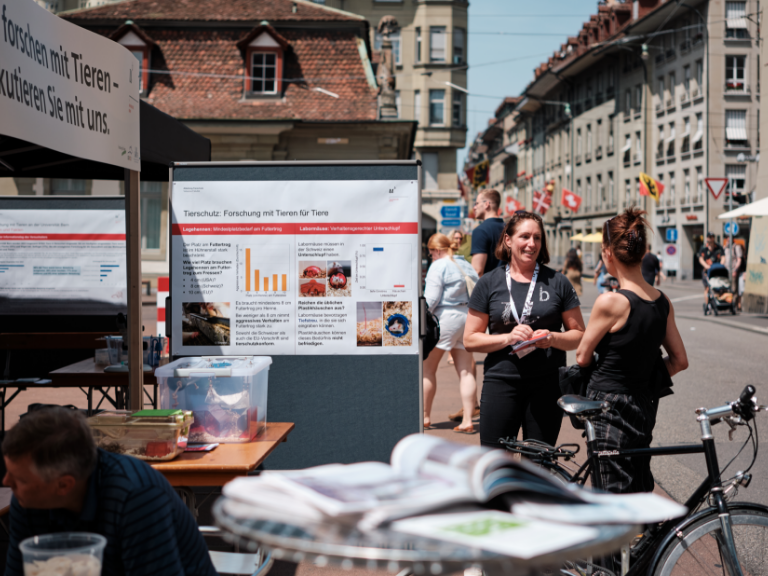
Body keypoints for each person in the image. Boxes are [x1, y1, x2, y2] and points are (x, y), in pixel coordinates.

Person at [3, 407, 217, 576]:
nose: (6, 482)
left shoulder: (137, 497)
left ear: (64, 485)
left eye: (20, 479)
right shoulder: (28, 499)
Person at [576, 208, 688, 494]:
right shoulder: (662, 301)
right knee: (639, 484)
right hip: (644, 401)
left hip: (608, 404)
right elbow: (680, 360)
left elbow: (582, 356)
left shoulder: (610, 302)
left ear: (608, 253)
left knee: (612, 490)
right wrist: (646, 376)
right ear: (643, 252)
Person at [464, 211, 586, 448]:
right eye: (525, 236)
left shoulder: (558, 282)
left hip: (546, 384)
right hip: (501, 382)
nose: (532, 244)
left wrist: (552, 338)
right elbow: (470, 340)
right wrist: (508, 338)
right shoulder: (489, 282)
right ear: (508, 240)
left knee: (538, 461)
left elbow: (579, 334)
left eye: (537, 238)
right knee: (496, 459)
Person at [423, 233, 480, 433]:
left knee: (427, 369)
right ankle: (467, 420)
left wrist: (421, 319)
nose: (431, 256)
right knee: (466, 371)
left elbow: (430, 300)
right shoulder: (465, 264)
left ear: (437, 250)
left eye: (431, 253)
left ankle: (425, 416)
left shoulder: (439, 265)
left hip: (445, 318)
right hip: (467, 317)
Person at [470, 189, 505, 277]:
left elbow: (477, 271)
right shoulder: (509, 228)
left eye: (477, 203)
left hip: (490, 284)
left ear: (486, 204)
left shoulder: (480, 231)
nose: (474, 207)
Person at [698, 232, 723, 305]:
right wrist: (706, 266)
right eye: (709, 237)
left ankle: (717, 303)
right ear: (707, 238)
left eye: (712, 237)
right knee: (707, 288)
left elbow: (723, 257)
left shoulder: (718, 247)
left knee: (718, 287)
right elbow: (700, 259)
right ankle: (707, 304)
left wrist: (721, 265)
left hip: (716, 270)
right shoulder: (704, 248)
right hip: (707, 270)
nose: (710, 239)